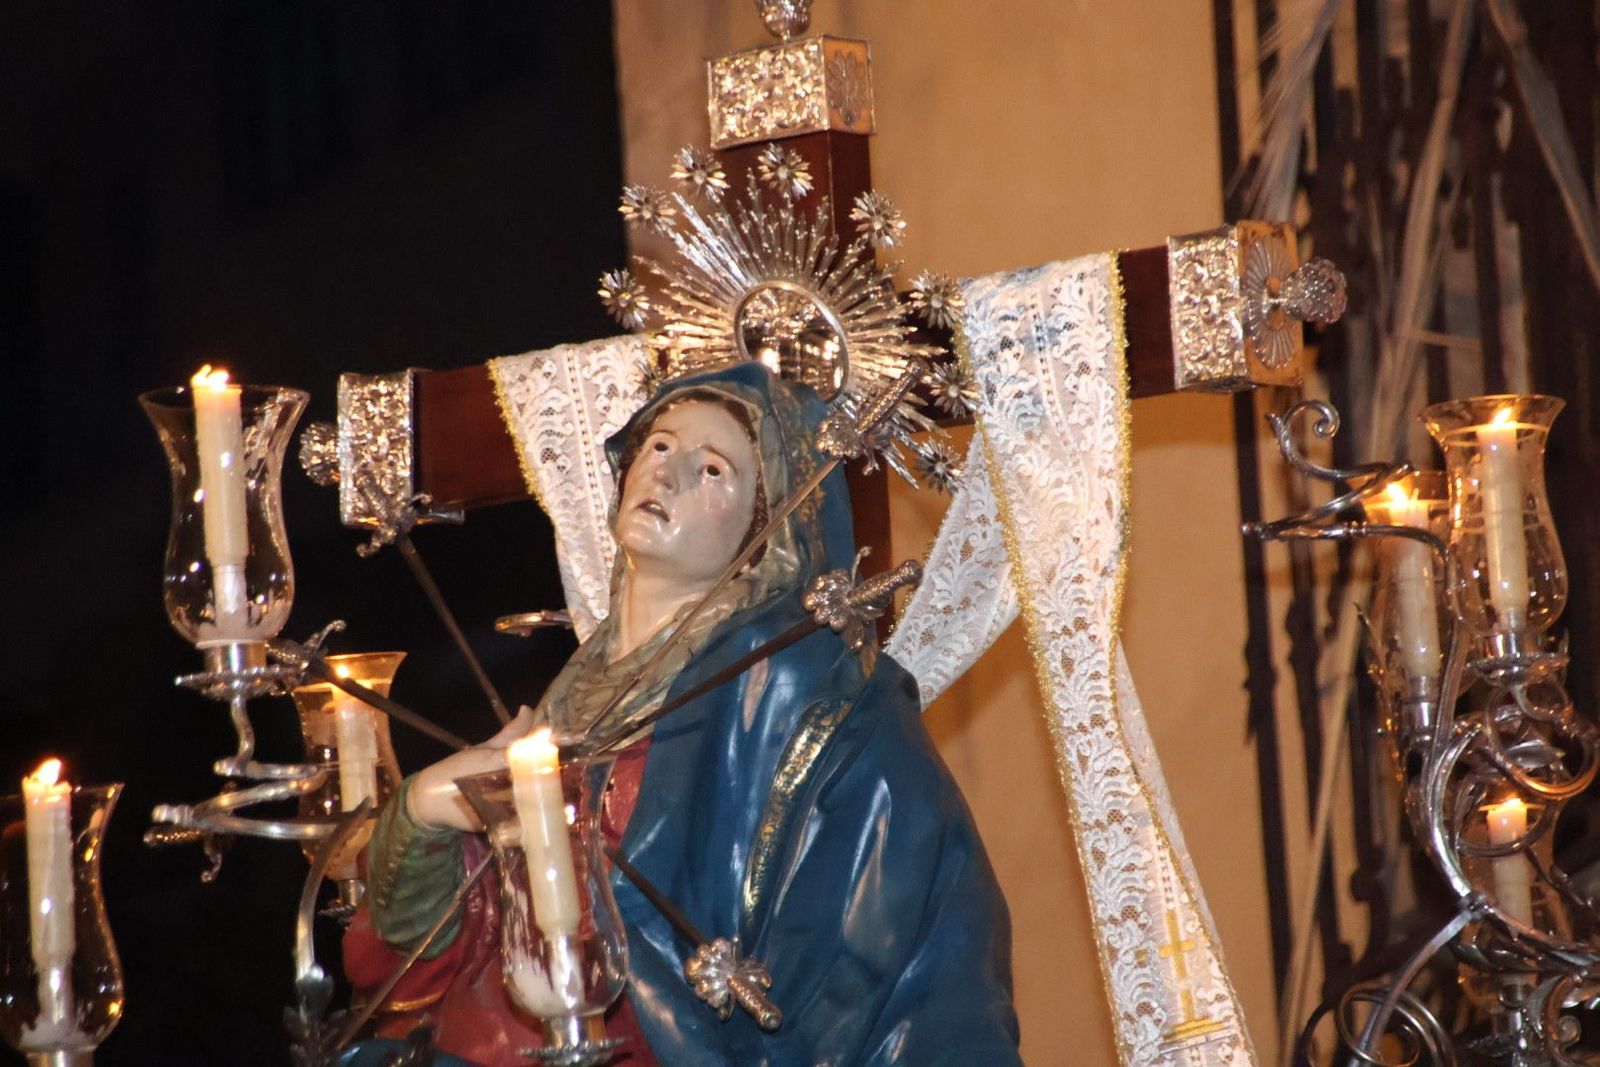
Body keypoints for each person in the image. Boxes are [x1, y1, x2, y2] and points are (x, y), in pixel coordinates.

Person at [339, 362, 1020, 1066]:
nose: (667, 473)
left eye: (714, 470)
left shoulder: (803, 699)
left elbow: (884, 893)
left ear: (765, 536)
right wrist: (421, 814)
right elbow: (407, 970)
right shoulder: (567, 701)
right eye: (659, 447)